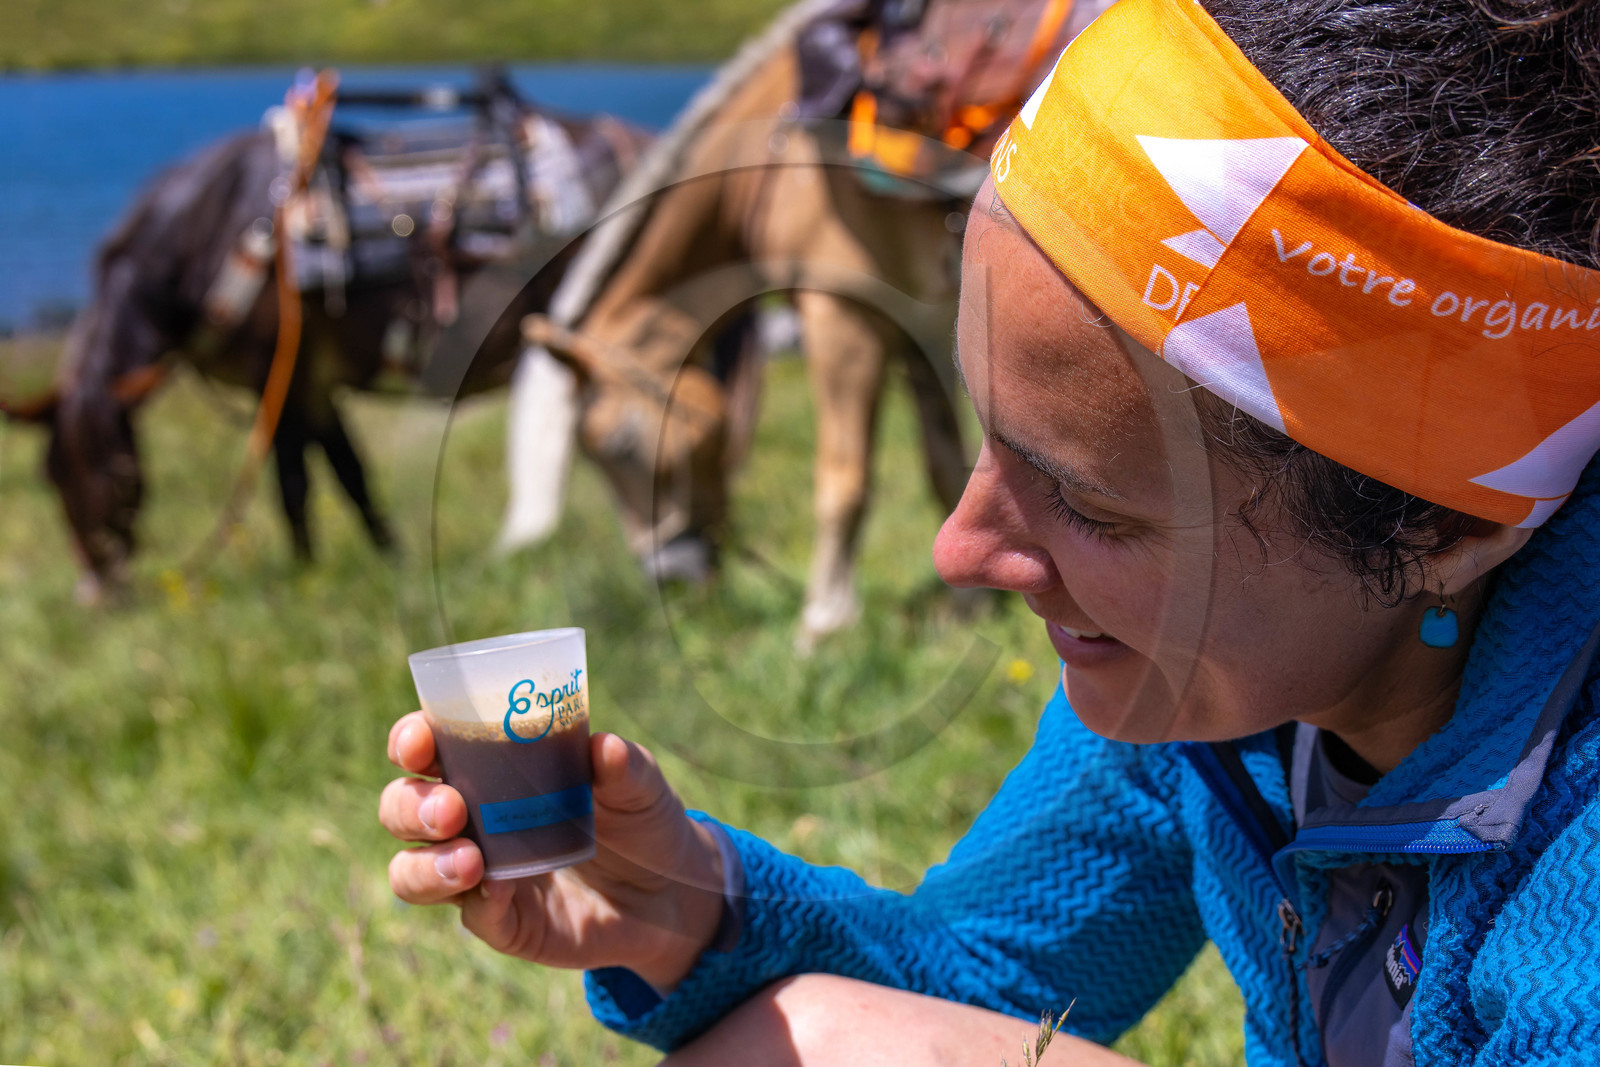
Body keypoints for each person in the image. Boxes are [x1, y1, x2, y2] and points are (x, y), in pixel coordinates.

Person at [379, 0, 1600, 1061]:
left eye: (1088, 500)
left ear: (1443, 525)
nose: (956, 552)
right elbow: (988, 979)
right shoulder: (1219, 693)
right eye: (989, 440)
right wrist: (692, 905)